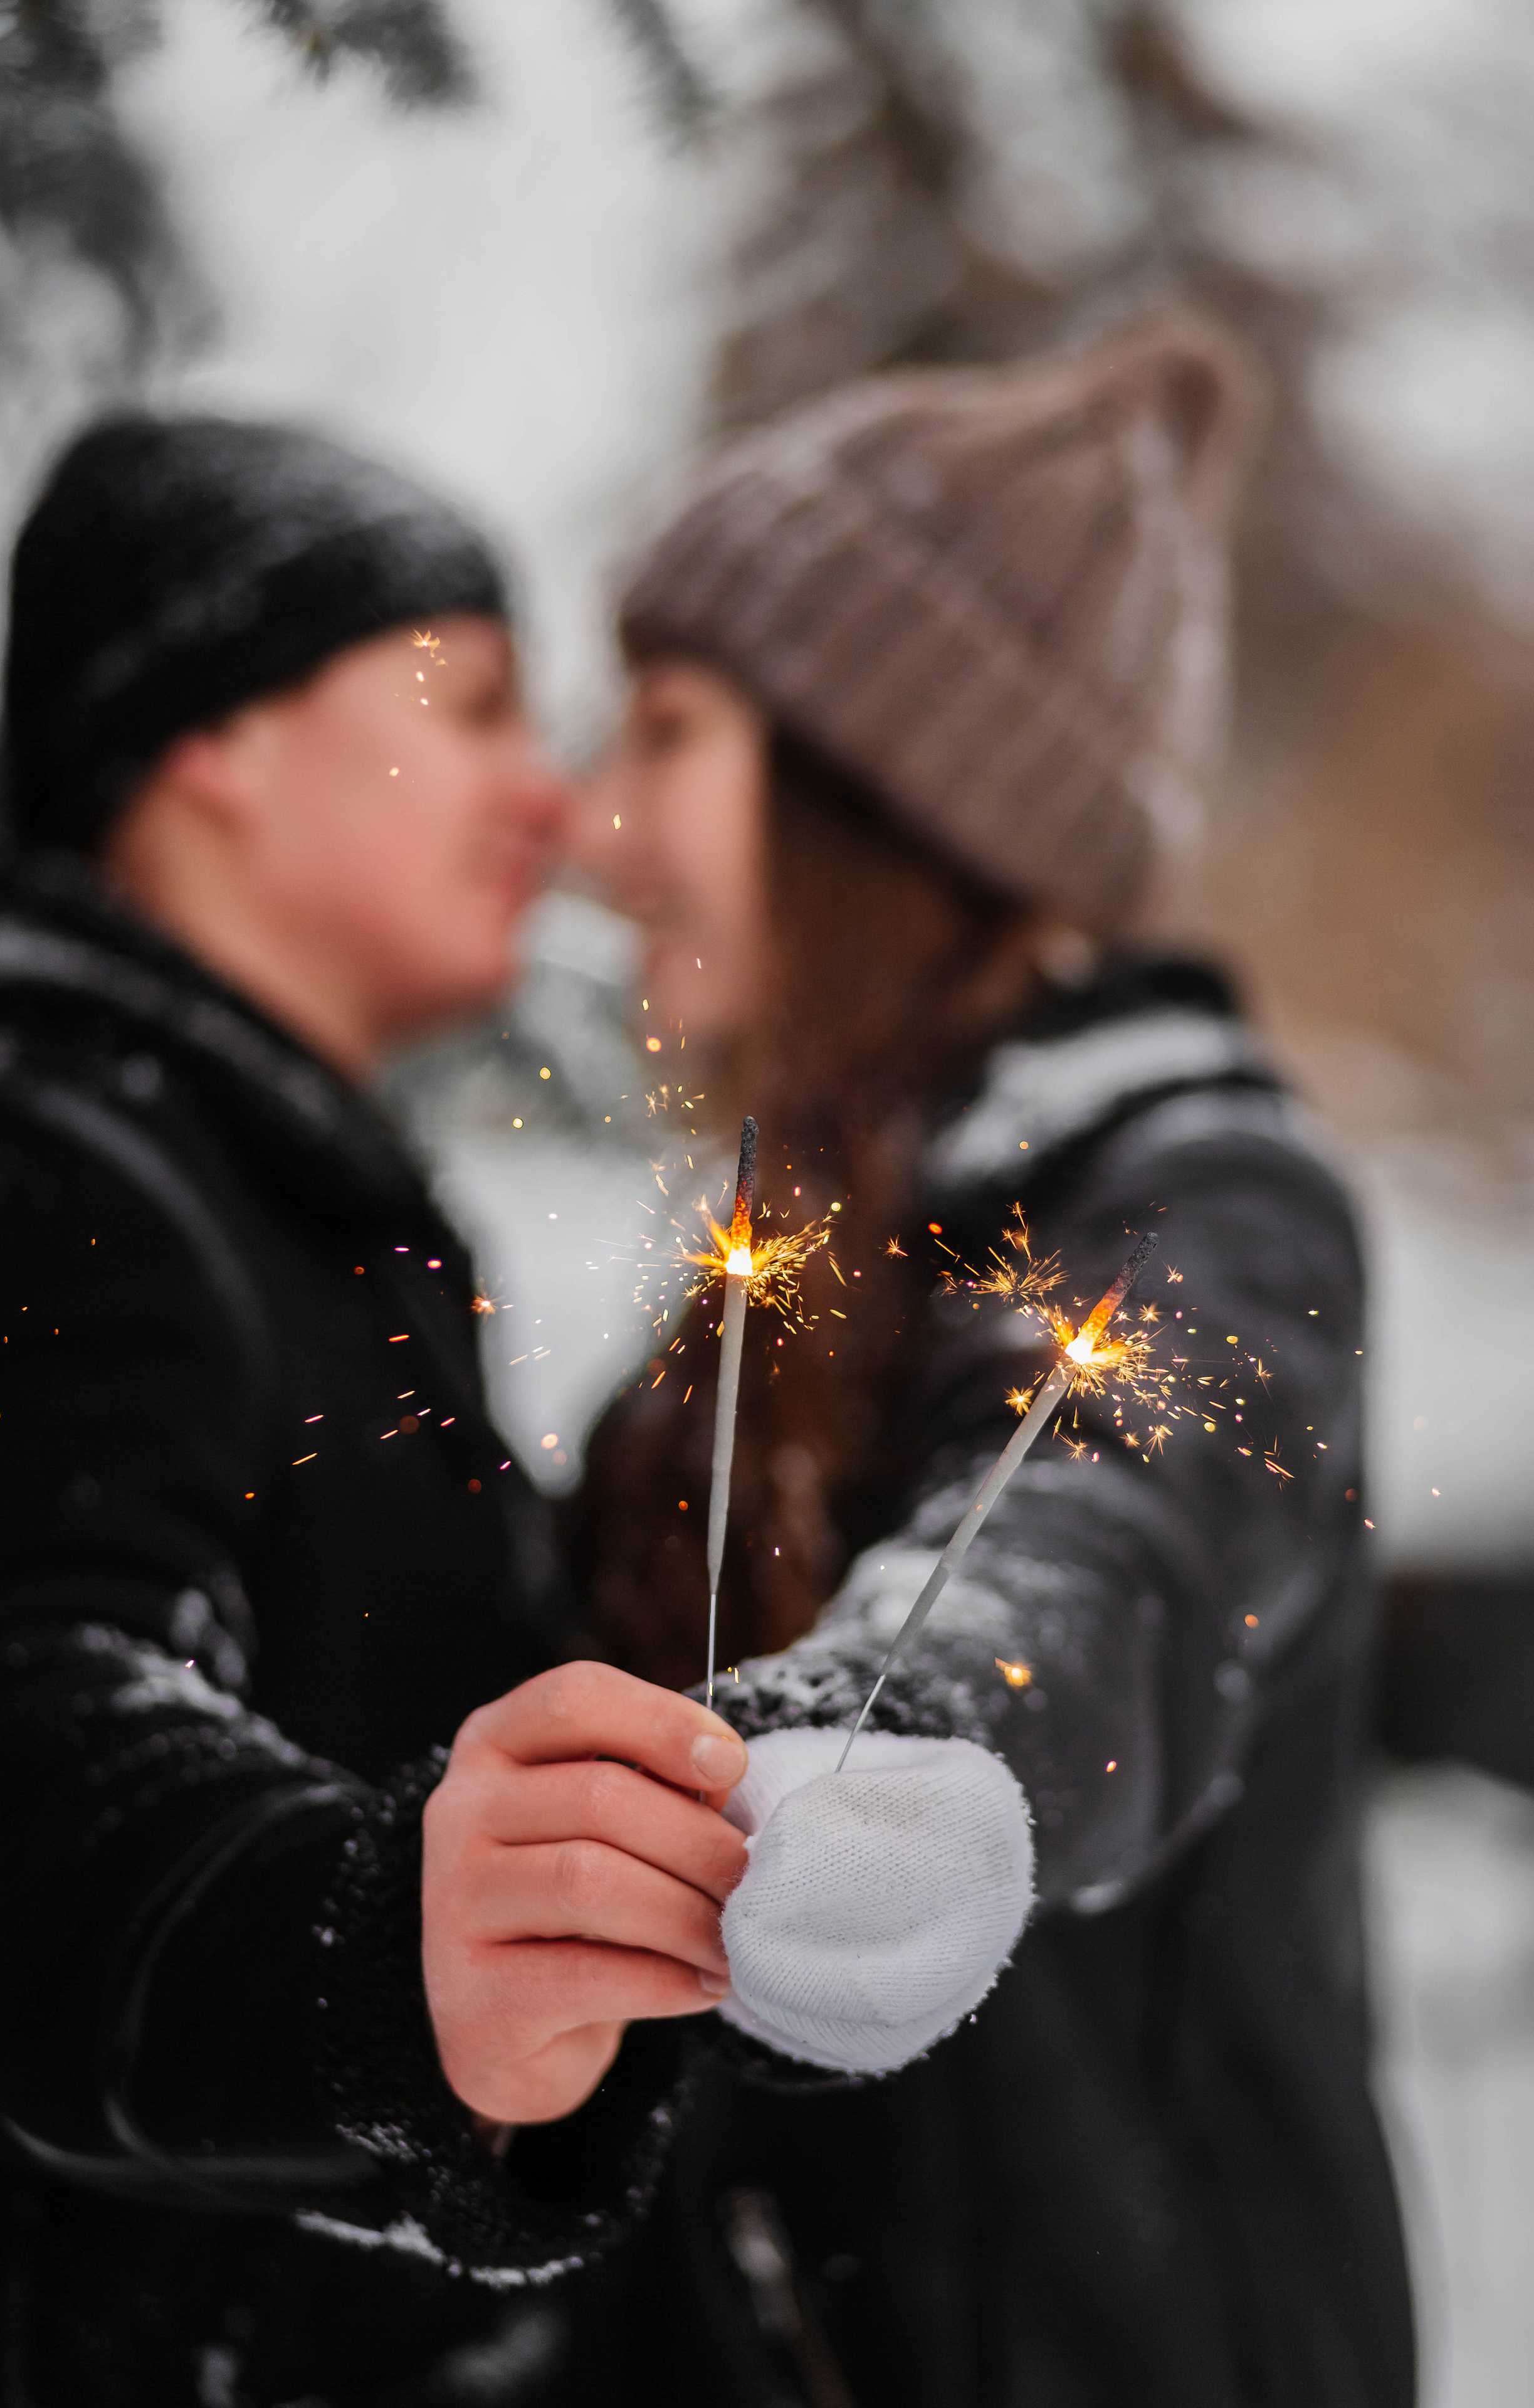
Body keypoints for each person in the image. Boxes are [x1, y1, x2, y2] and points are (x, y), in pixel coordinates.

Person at [572, 318, 1417, 2404]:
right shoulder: (806, 1253)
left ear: (876, 788)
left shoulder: (1204, 1206)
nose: (599, 830)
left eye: (667, 732)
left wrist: (914, 1730)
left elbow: (1106, 1539)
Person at [0, 416, 762, 2406]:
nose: (549, 798)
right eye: (474, 706)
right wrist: (388, 1950)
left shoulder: (271, 1192)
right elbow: (4, 1754)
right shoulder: (41, 1175)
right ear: (215, 737)